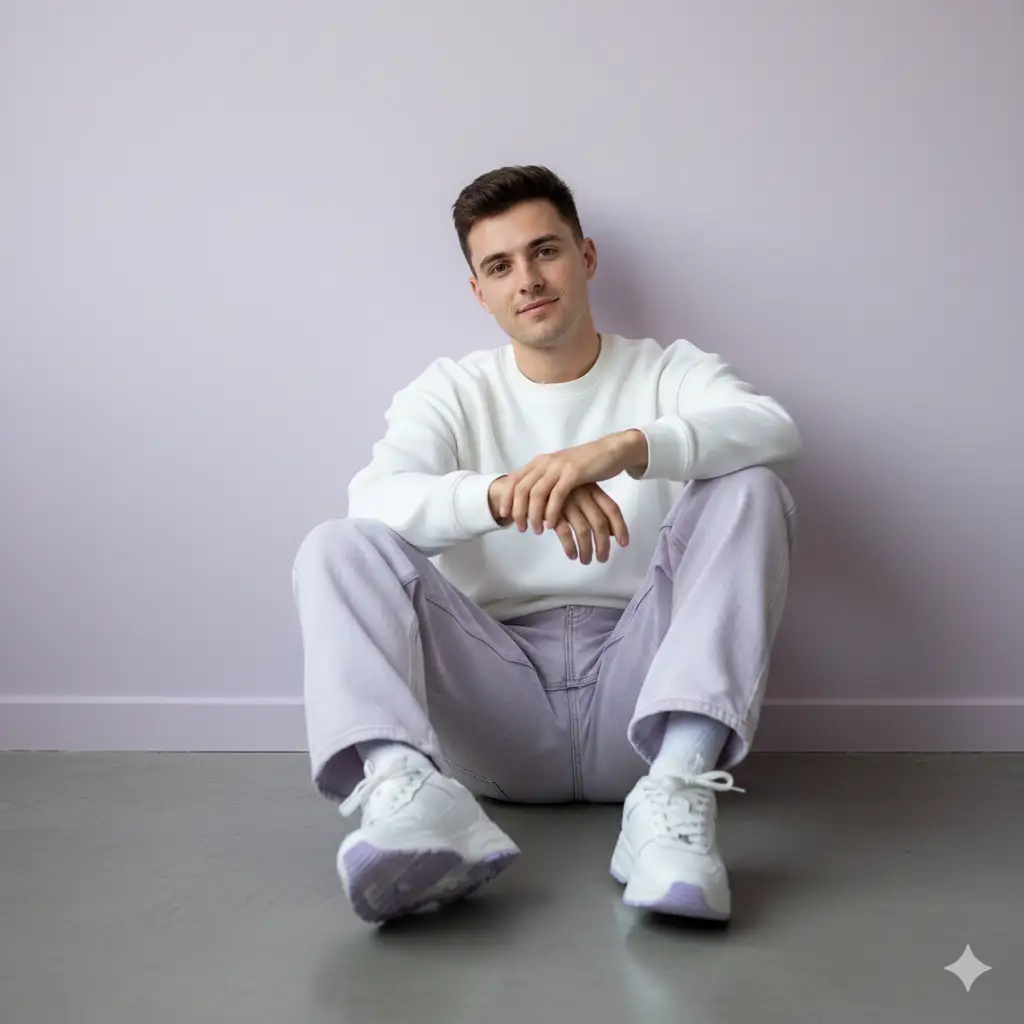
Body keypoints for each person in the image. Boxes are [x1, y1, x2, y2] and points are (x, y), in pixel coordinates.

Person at [292, 165, 800, 926]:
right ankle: (413, 802)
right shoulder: (451, 391)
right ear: (480, 290)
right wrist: (503, 492)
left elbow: (773, 429)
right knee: (336, 544)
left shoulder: (668, 370)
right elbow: (375, 501)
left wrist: (619, 450)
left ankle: (675, 797)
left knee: (754, 485)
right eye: (500, 266)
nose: (527, 279)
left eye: (545, 252)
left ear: (585, 257)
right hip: (498, 707)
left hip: (645, 696)